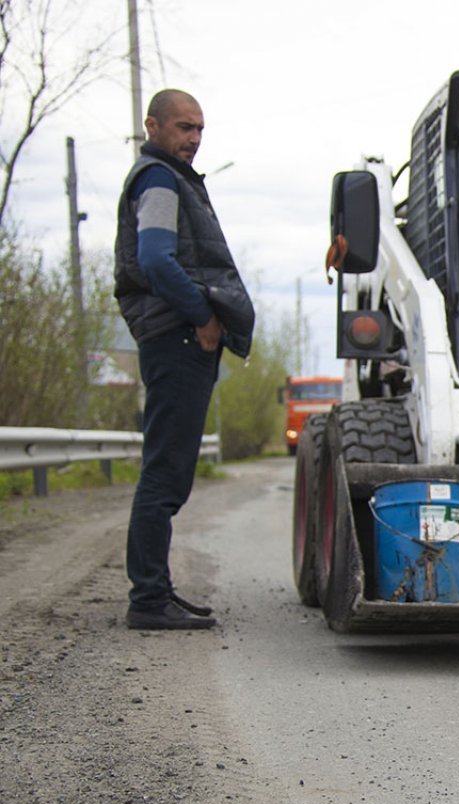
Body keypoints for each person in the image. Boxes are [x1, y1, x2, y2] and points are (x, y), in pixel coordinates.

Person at [113, 89, 254, 631]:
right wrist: (202, 317)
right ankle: (148, 600)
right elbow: (154, 258)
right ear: (152, 126)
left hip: (174, 337)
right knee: (165, 473)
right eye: (182, 127)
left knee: (167, 471)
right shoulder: (158, 179)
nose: (192, 138)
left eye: (199, 129)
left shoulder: (167, 177)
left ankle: (155, 591)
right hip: (177, 338)